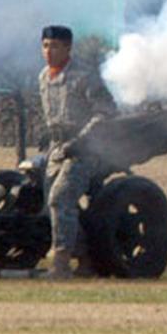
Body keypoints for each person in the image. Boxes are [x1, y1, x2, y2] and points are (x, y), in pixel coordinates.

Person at [39, 25, 118, 279]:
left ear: (68, 48)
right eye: (45, 46)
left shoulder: (85, 77)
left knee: (60, 198)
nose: (49, 51)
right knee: (51, 204)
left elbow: (106, 111)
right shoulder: (44, 77)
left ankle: (61, 264)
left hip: (85, 150)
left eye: (55, 46)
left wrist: (82, 140)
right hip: (56, 150)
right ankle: (85, 258)